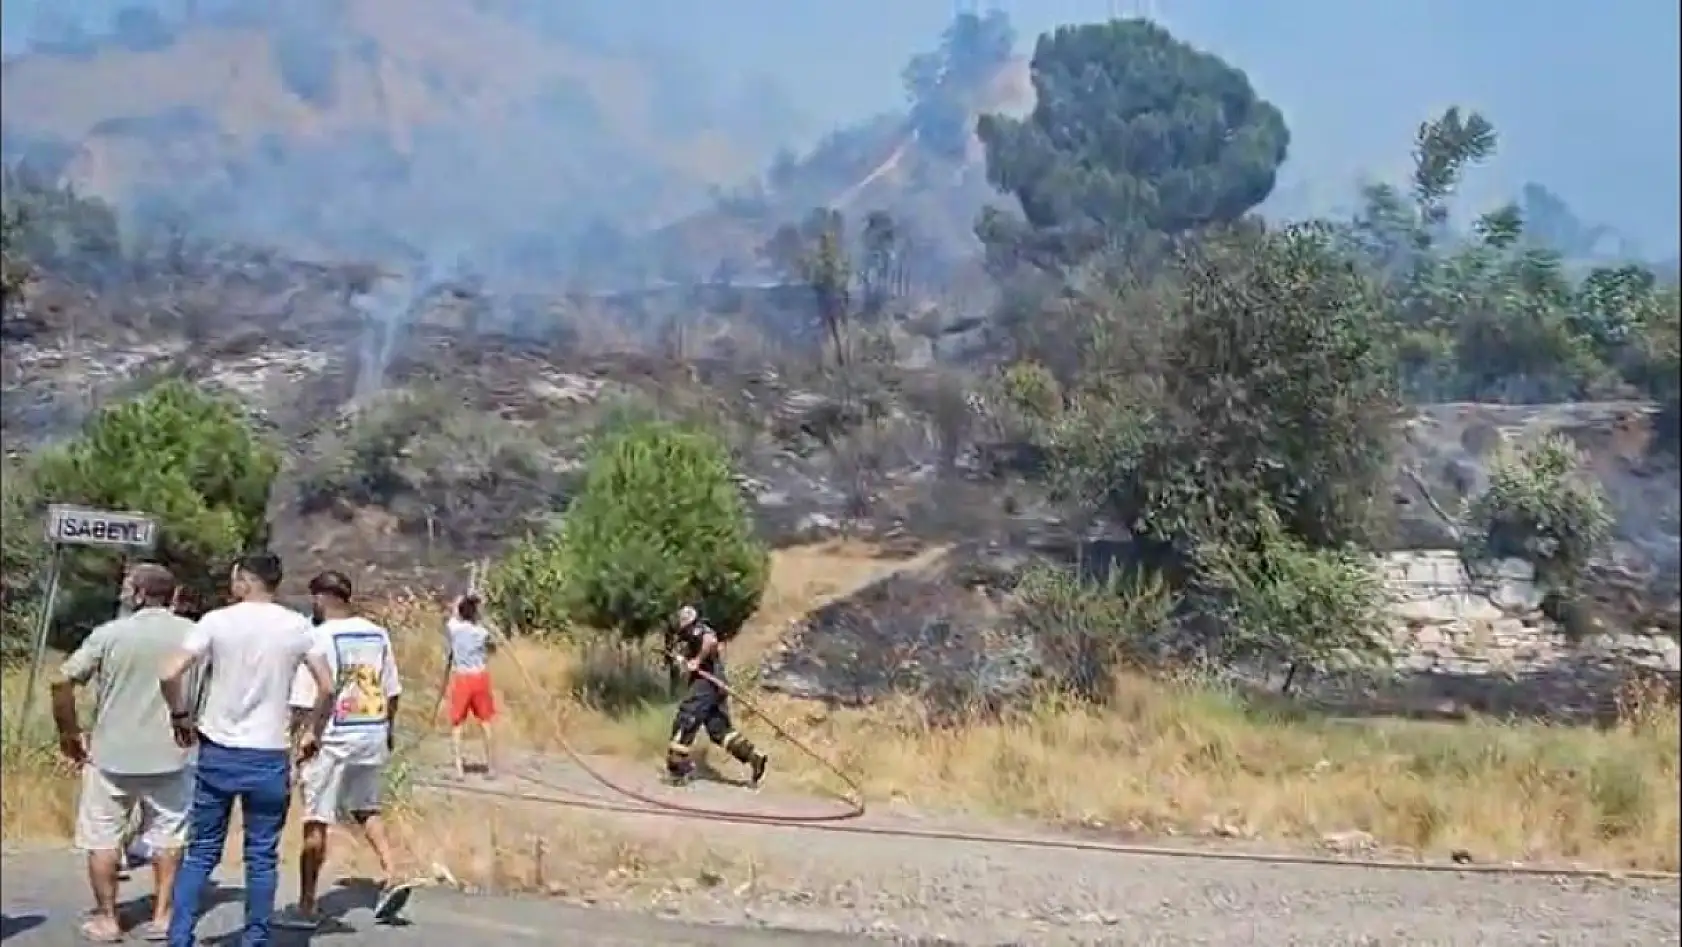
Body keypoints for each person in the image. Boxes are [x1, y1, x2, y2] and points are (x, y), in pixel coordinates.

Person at [158, 553, 334, 947]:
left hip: (219, 748)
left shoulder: (216, 621)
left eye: (235, 577)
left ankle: (180, 935)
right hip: (269, 751)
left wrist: (180, 715)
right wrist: (312, 730)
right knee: (261, 855)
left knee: (202, 850)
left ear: (247, 580)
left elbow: (169, 672)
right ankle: (255, 938)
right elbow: (327, 685)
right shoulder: (298, 626)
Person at [51, 564, 201, 943]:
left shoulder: (110, 634)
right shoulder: (195, 635)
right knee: (169, 834)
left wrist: (69, 733)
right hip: (174, 751)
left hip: (112, 753)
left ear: (138, 594)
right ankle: (163, 914)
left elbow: (61, 681)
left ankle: (108, 918)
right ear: (172, 595)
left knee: (103, 836)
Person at [273, 571, 413, 930]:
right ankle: (393, 871)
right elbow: (392, 690)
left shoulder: (317, 637)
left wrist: (299, 736)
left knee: (316, 817)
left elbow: (309, 697)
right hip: (371, 729)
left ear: (320, 598)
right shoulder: (377, 634)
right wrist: (388, 729)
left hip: (332, 737)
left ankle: (306, 905)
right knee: (366, 807)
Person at [665, 605, 768, 787]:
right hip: (715, 684)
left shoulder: (698, 629)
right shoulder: (689, 636)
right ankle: (753, 757)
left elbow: (711, 641)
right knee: (718, 730)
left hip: (707, 683)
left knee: (687, 717)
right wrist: (684, 660)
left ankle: (679, 768)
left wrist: (697, 660)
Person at [442, 593, 498, 779]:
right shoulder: (482, 632)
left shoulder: (455, 628)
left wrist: (462, 599)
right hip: (480, 677)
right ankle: (490, 767)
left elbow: (454, 611)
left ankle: (459, 769)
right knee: (485, 722)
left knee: (457, 724)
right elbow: (493, 649)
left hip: (462, 678)